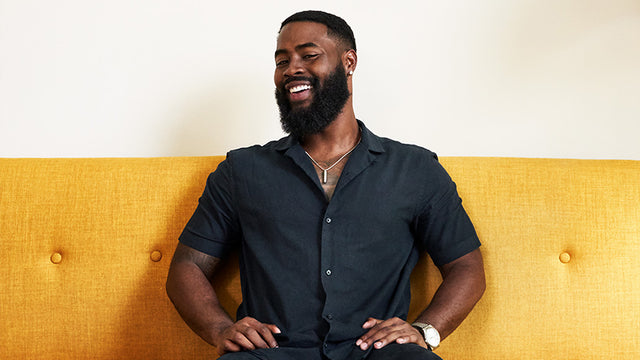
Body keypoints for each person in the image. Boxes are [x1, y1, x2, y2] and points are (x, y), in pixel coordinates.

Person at [166, 10, 485, 360]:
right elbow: (188, 266)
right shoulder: (241, 170)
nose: (292, 69)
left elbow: (466, 267)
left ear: (349, 62)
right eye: (282, 60)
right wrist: (219, 328)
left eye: (309, 55)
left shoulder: (415, 169)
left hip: (377, 354)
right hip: (270, 354)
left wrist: (425, 330)